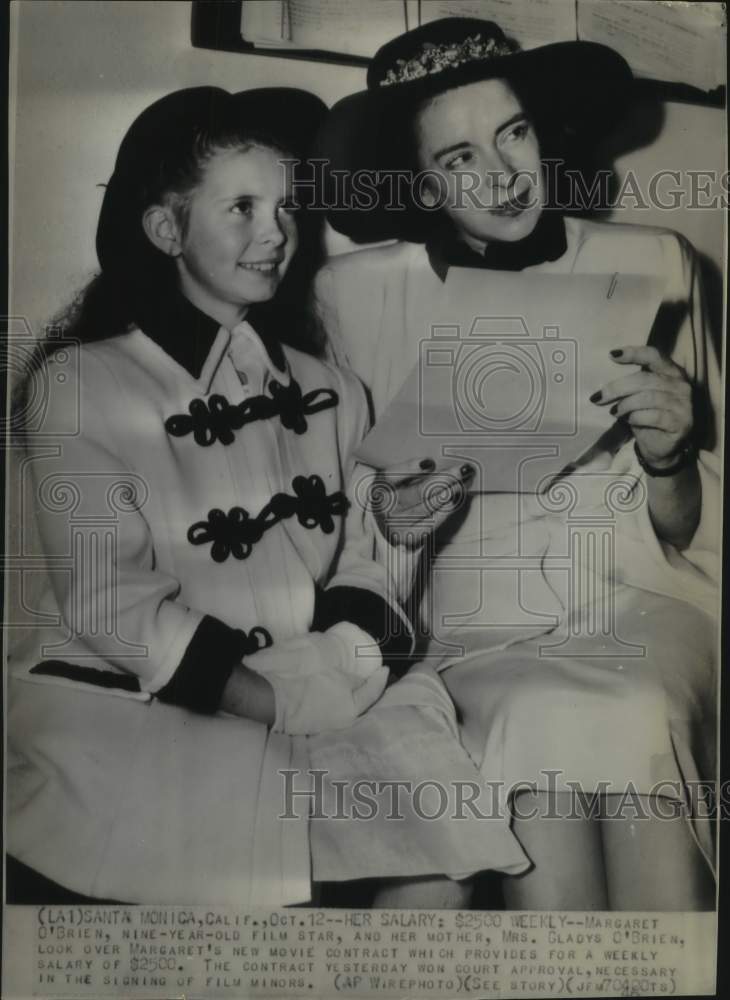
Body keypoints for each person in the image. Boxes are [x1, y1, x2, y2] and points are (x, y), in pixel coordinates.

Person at [6, 86, 530, 908]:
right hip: (151, 702)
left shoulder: (332, 388)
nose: (275, 232)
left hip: (323, 683)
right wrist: (267, 698)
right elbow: (107, 598)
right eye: (241, 208)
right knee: (248, 880)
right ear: (166, 229)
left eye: (285, 206)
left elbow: (367, 553)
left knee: (441, 875)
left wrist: (390, 542)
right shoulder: (82, 383)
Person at [313, 18, 721, 910]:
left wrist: (668, 452)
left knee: (630, 707)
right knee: (543, 718)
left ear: (546, 133)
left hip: (639, 598)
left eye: (514, 134)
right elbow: (349, 514)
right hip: (470, 623)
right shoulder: (354, 294)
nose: (501, 177)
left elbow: (694, 531)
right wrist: (393, 511)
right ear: (417, 181)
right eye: (457, 158)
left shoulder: (654, 260)